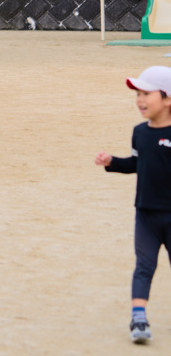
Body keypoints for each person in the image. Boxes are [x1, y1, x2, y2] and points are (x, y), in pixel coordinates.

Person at [95, 66, 171, 345]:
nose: (140, 100)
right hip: (146, 215)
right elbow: (137, 164)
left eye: (146, 93)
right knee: (144, 266)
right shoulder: (140, 132)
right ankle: (138, 318)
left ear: (167, 98)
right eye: (137, 94)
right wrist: (112, 162)